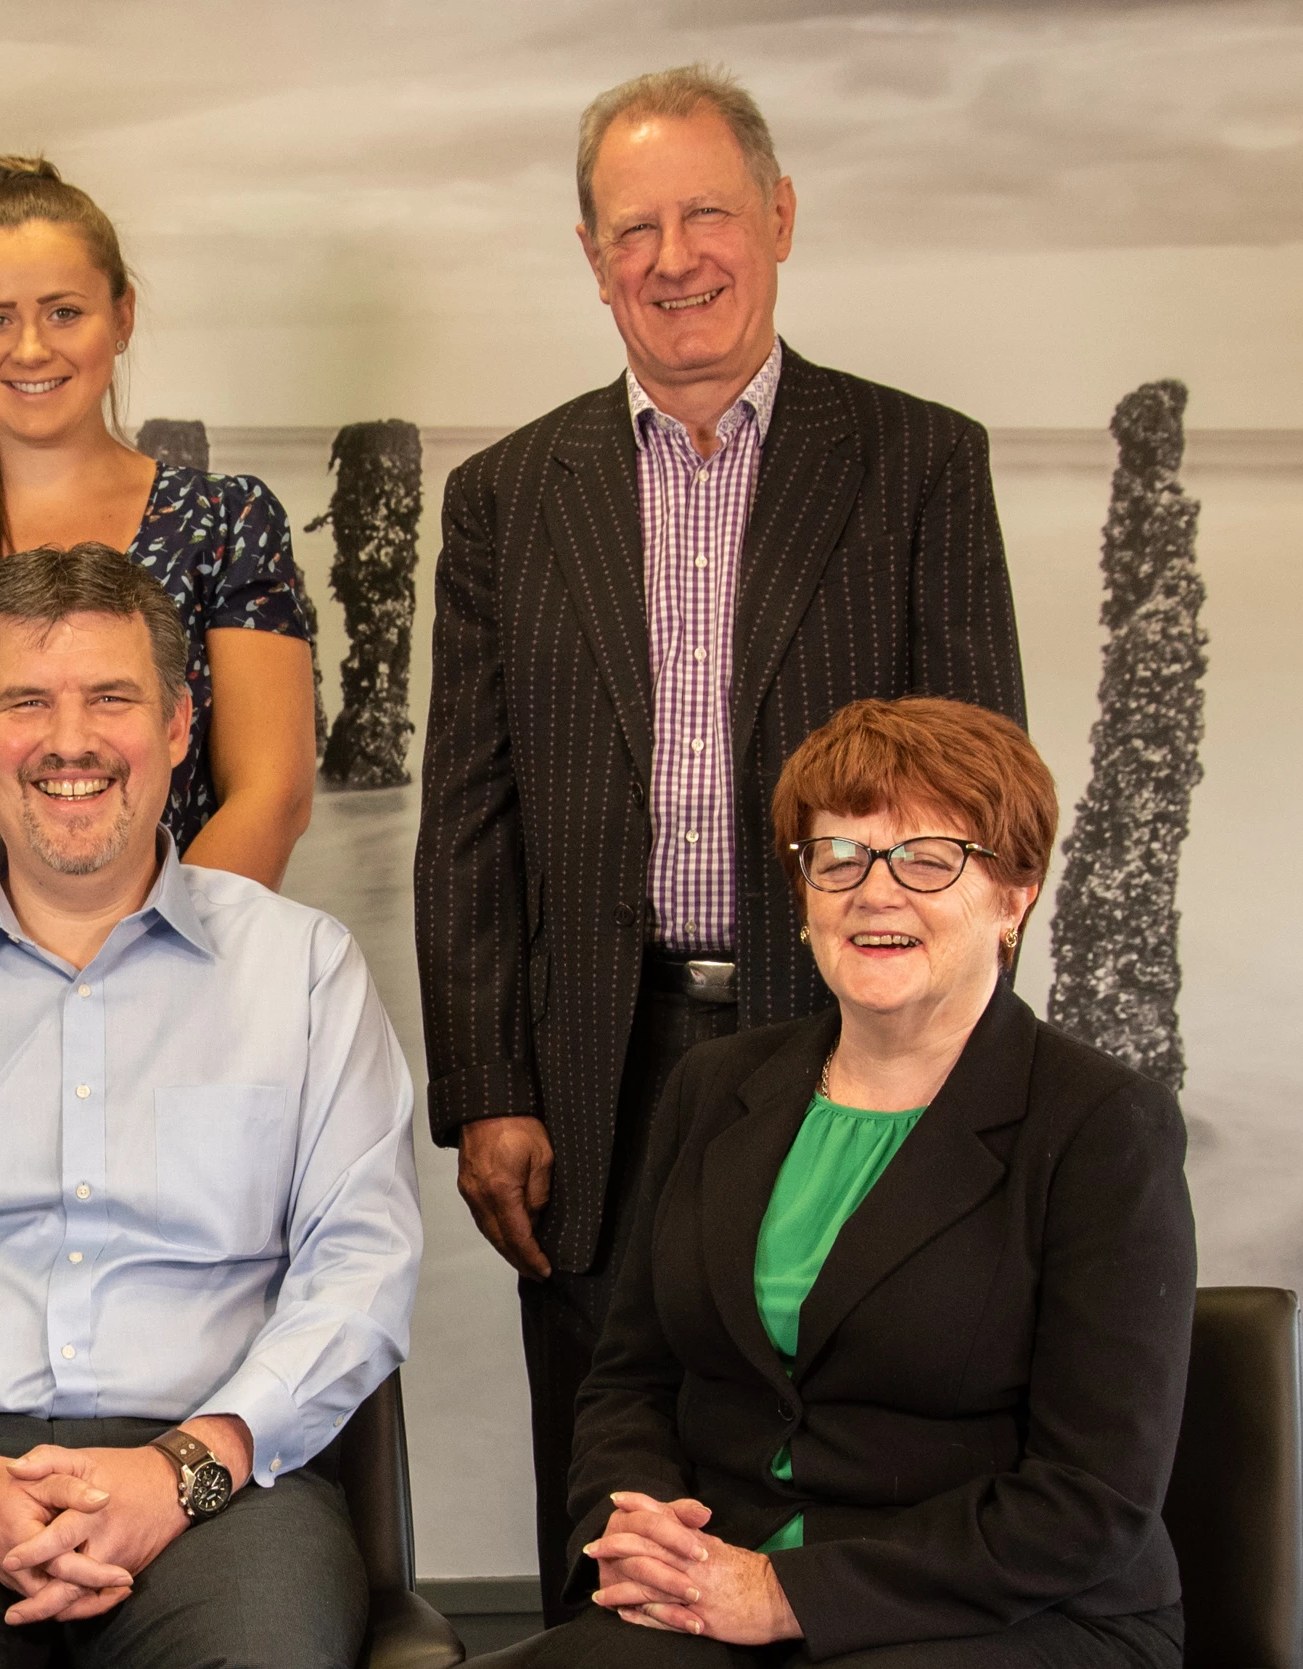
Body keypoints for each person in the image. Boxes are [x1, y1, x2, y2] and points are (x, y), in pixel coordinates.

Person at [412, 64, 1027, 1617]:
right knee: (617, 1460)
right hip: (595, 1066)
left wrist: (959, 1053)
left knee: (852, 1404)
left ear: (780, 219)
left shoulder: (917, 464)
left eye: (706, 214)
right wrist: (487, 1087)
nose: (673, 255)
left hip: (855, 1029)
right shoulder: (502, 497)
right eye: (635, 226)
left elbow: (988, 795)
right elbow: (470, 815)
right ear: (589, 251)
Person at [0, 544, 421, 1667]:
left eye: (113, 698)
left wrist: (179, 1471)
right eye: (26, 703)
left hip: (216, 1489)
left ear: (178, 725)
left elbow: (359, 1268)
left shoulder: (303, 971)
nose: (70, 741)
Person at [471, 696, 1193, 1668]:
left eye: (927, 857)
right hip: (716, 1587)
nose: (873, 892)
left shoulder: (1102, 1124)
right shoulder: (715, 1085)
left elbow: (1087, 1500)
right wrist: (634, 1527)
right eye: (837, 857)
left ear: (1014, 891)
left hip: (1009, 1612)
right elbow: (630, 1379)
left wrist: (782, 1592)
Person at [0, 155, 318, 922]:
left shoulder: (225, 526)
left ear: (123, 316)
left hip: (176, 1004)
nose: (31, 348)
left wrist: (139, 971)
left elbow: (273, 792)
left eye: (64, 311)